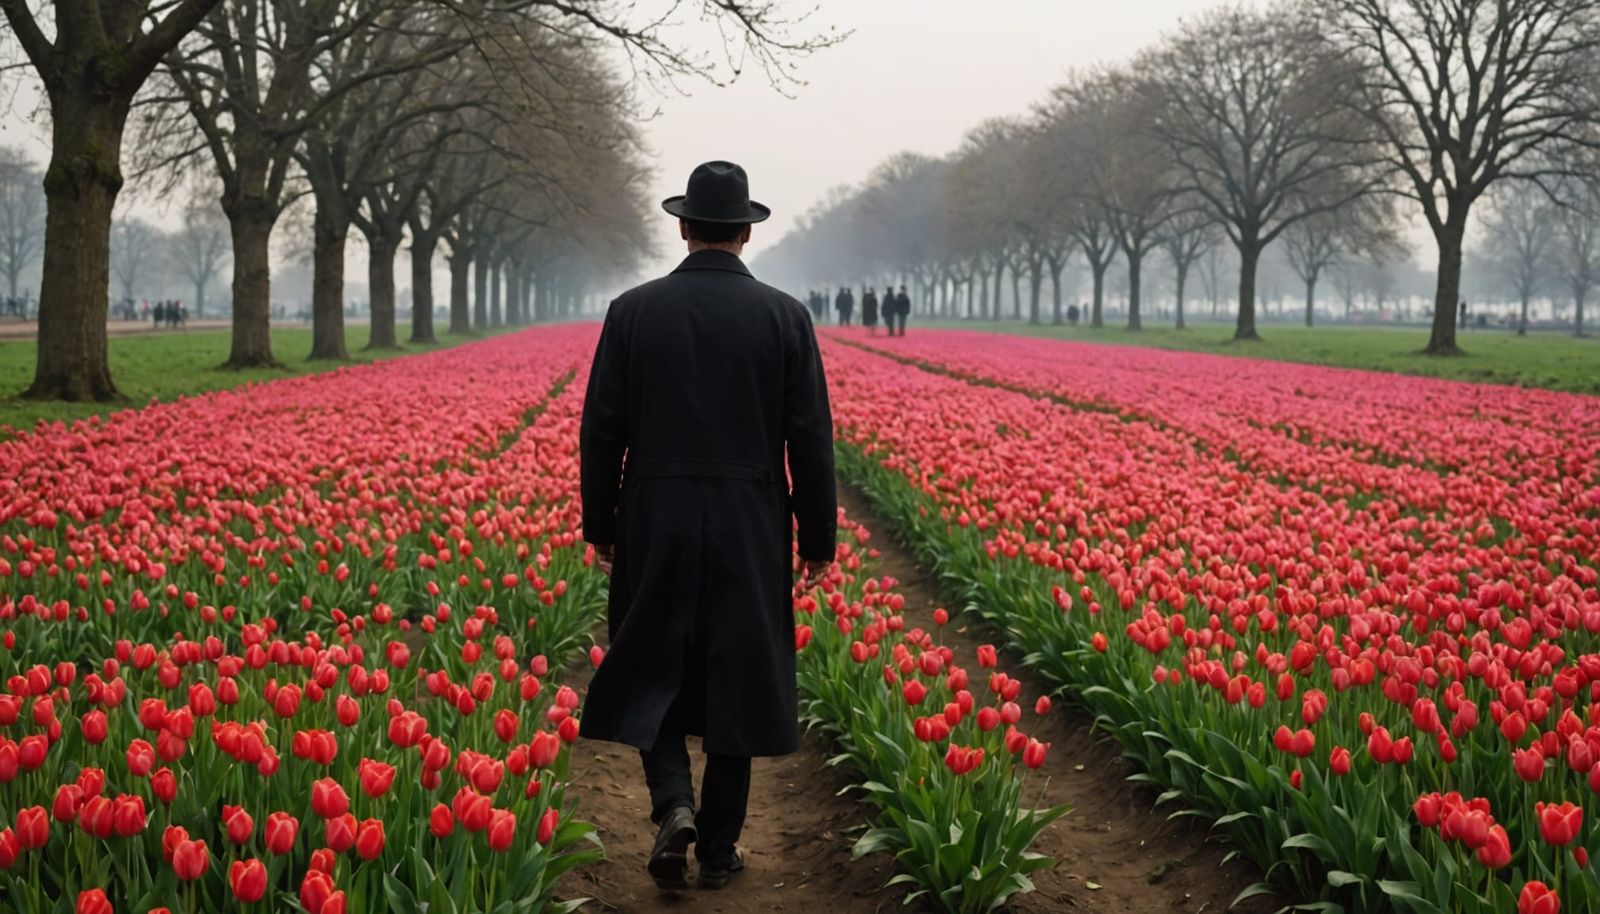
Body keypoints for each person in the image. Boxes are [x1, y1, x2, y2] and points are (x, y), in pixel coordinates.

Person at [579, 160, 837, 894]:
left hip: (653, 509)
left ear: (685, 227)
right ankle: (719, 848)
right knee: (739, 671)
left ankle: (673, 803)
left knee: (648, 657)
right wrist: (817, 538)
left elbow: (602, 430)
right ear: (745, 234)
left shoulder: (633, 311)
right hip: (750, 515)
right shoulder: (785, 318)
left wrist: (602, 520)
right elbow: (810, 439)